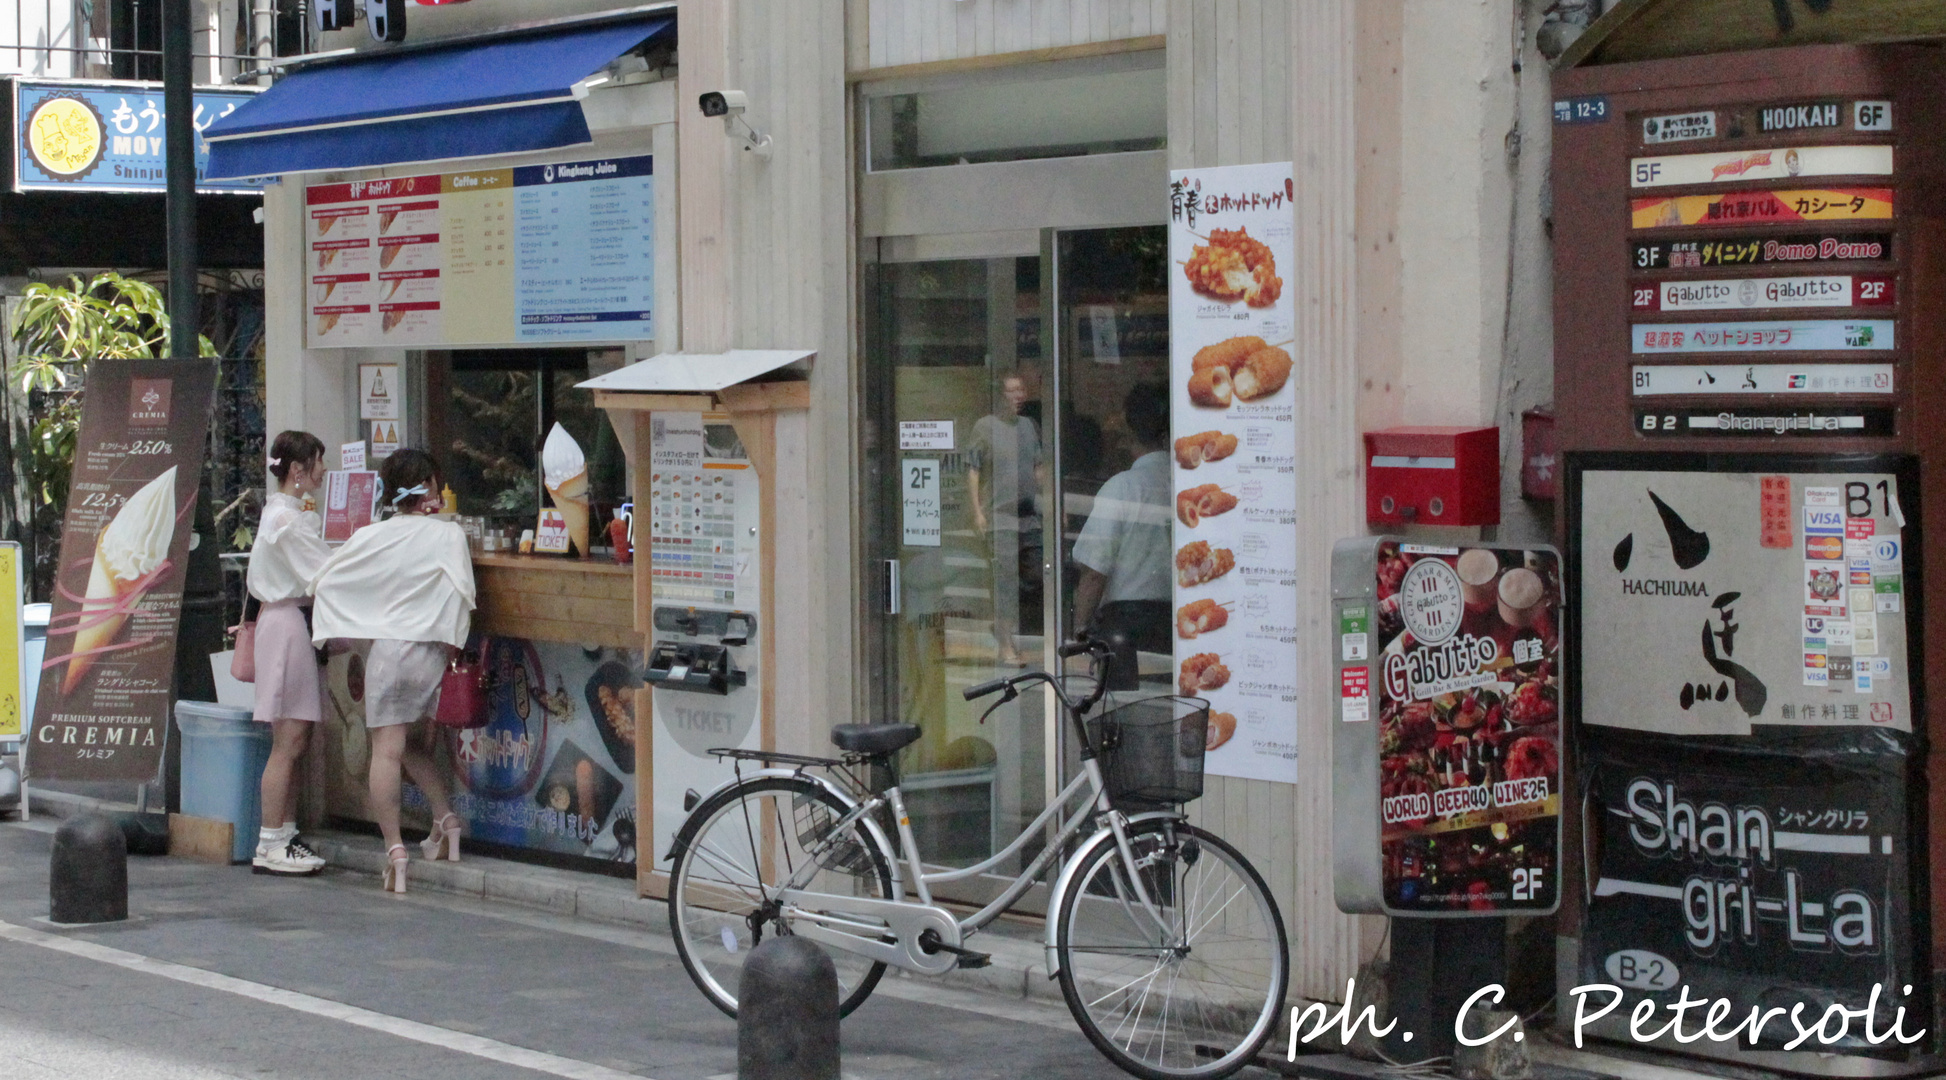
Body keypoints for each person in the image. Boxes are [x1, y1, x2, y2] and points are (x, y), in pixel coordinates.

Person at [310, 449, 475, 893]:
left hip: (390, 653)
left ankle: (395, 851)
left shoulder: (372, 536)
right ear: (426, 487)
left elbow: (325, 580)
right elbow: (463, 591)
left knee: (386, 749)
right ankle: (446, 820)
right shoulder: (450, 535)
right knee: (410, 745)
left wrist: (349, 627)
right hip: (431, 657)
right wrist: (452, 643)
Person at [247, 431, 332, 876]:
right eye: (317, 463)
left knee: (296, 739)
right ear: (297, 470)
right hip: (285, 623)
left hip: (285, 622)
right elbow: (321, 571)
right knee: (290, 738)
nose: (322, 471)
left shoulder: (282, 513)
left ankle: (284, 833)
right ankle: (270, 840)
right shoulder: (287, 520)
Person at [1072, 382, 1173, 663]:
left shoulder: (1123, 487)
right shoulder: (1188, 486)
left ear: (1130, 432)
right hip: (1178, 620)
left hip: (1125, 626)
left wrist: (1080, 631)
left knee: (1125, 704)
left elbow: (1094, 572)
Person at [966, 370, 1043, 665]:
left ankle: (1001, 626)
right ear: (1000, 396)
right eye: (1011, 391)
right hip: (1000, 518)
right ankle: (1006, 645)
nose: (1018, 396)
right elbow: (972, 470)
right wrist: (977, 513)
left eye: (1021, 390)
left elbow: (1038, 467)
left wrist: (1050, 503)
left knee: (1037, 575)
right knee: (1006, 583)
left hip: (1029, 518)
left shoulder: (1028, 426)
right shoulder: (984, 427)